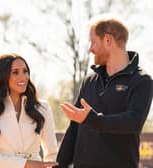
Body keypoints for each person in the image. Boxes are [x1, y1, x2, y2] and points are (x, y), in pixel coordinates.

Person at [56, 14, 153, 168]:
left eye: (93, 42)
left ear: (108, 40)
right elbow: (74, 129)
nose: (90, 49)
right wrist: (59, 165)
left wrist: (93, 119)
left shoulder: (142, 80)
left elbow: (133, 122)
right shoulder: (89, 80)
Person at [0, 53, 58, 168]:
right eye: (15, 72)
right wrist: (25, 164)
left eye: (25, 71)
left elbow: (52, 153)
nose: (23, 77)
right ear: (3, 76)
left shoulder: (42, 108)